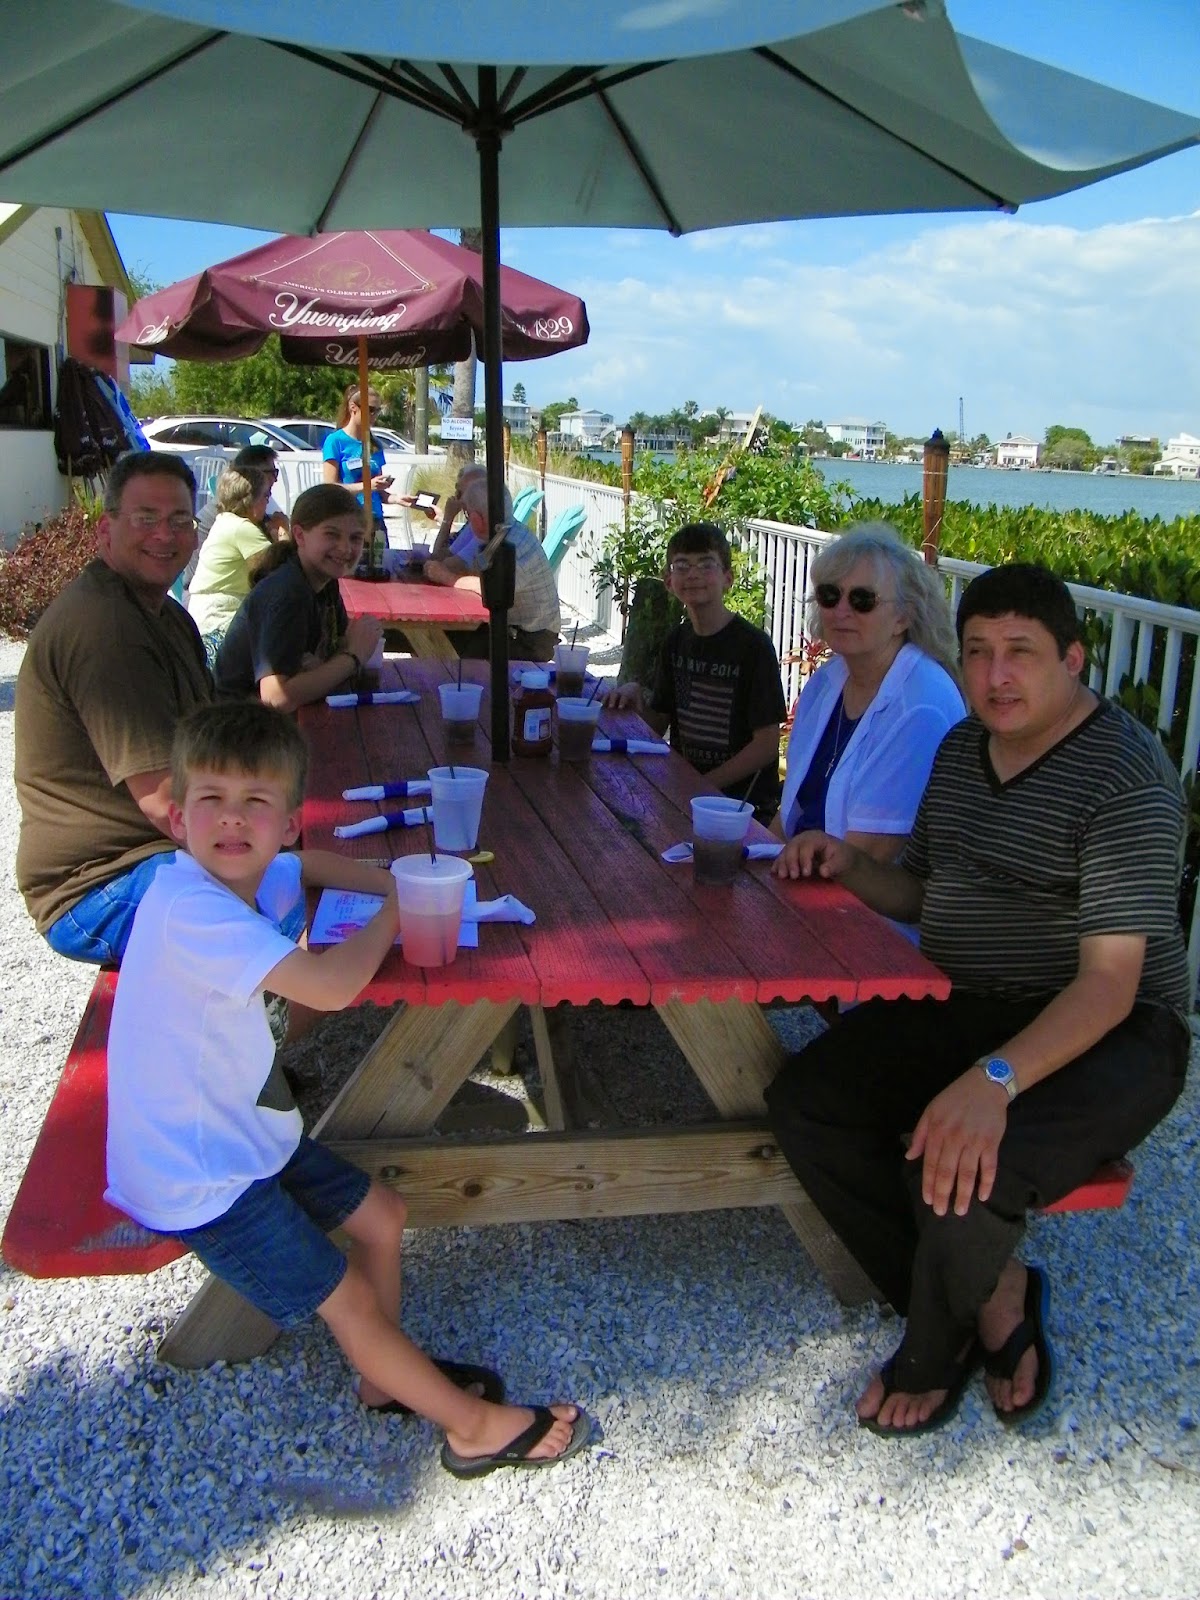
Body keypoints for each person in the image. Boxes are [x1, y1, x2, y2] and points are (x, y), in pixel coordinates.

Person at [106, 701, 591, 1477]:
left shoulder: (246, 874)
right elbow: (331, 988)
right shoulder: (191, 908)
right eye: (212, 801)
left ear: (289, 823)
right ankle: (472, 1428)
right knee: (350, 1303)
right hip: (196, 1176)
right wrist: (399, 907)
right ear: (176, 818)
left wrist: (386, 877)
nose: (232, 820)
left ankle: (382, 1380)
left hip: (241, 1135)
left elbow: (307, 868)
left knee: (382, 1216)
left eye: (255, 803)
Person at [764, 563, 1191, 1437]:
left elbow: (1110, 985)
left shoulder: (1126, 774)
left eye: (1020, 652)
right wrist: (851, 864)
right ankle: (991, 1294)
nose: (995, 676)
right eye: (978, 652)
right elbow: (921, 889)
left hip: (1112, 1031)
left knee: (964, 1165)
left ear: (1073, 658)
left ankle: (930, 1351)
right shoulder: (964, 749)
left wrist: (993, 1080)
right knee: (807, 1105)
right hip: (967, 999)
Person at [14, 451, 211, 966]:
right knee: (293, 913)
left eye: (180, 520)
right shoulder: (108, 628)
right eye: (145, 518)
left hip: (153, 854)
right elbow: (165, 802)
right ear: (106, 530)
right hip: (99, 885)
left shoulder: (167, 617)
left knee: (304, 878)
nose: (164, 535)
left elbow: (218, 744)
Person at [773, 524, 965, 863]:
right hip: (798, 869)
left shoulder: (921, 705)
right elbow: (789, 817)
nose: (841, 611)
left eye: (863, 600)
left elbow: (868, 856)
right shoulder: (827, 681)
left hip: (850, 889)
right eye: (830, 595)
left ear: (903, 617)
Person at [603, 521, 787, 823]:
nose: (693, 574)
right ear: (668, 581)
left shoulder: (753, 646)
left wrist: (702, 785)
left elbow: (767, 745)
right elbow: (658, 724)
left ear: (728, 578)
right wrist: (634, 697)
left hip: (742, 807)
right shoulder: (675, 642)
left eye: (706, 564)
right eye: (682, 565)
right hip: (684, 793)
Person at [214, 483, 382, 711]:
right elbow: (275, 698)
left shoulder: (326, 582)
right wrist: (353, 657)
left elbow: (338, 645)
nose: (345, 548)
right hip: (240, 723)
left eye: (355, 538)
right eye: (332, 535)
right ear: (300, 535)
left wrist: (323, 666)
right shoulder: (288, 592)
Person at [424, 473, 561, 661]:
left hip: (531, 640)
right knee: (440, 637)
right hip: (512, 630)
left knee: (442, 644)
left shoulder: (514, 544)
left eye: (467, 514)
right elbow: (462, 568)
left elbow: (491, 588)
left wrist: (447, 577)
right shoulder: (500, 534)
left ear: (477, 518)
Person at [187, 464, 275, 661]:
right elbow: (280, 573)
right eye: (265, 496)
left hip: (207, 617)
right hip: (222, 622)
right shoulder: (241, 528)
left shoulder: (225, 521)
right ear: (251, 499)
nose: (267, 502)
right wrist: (284, 533)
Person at [184, 443, 289, 593]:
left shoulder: (230, 513)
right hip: (213, 597)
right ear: (252, 474)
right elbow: (281, 573)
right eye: (272, 473)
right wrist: (284, 532)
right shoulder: (238, 523)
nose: (275, 479)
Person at [322, 383, 392, 538]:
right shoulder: (335, 441)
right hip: (349, 519)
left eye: (377, 411)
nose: (374, 416)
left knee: (381, 554)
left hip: (375, 519)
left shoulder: (375, 444)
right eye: (370, 410)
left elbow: (379, 491)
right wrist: (366, 486)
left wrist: (400, 499)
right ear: (353, 407)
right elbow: (330, 488)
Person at [426, 462, 514, 561]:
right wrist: (441, 518)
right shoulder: (483, 521)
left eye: (460, 492)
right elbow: (459, 541)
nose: (457, 497)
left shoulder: (480, 527)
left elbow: (438, 556)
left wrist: (447, 519)